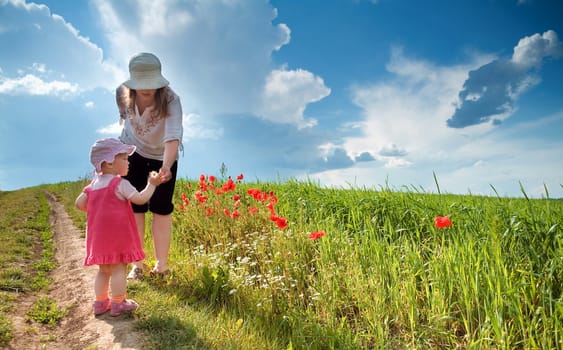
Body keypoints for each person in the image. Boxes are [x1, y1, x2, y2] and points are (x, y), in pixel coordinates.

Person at [115, 52, 183, 280]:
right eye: (141, 84)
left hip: (163, 155)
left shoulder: (172, 101)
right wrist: (119, 157)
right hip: (131, 153)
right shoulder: (121, 94)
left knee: (161, 209)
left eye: (151, 84)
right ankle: (138, 265)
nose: (147, 89)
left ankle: (161, 267)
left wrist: (166, 167)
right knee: (135, 208)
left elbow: (173, 137)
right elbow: (125, 124)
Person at [75, 138, 162, 316]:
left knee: (103, 270)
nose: (128, 161)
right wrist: (152, 185)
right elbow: (140, 199)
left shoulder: (92, 186)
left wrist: (96, 208)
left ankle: (100, 303)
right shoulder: (119, 184)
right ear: (108, 162)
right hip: (118, 238)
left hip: (98, 239)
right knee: (119, 269)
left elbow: (79, 204)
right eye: (123, 158)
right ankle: (118, 303)